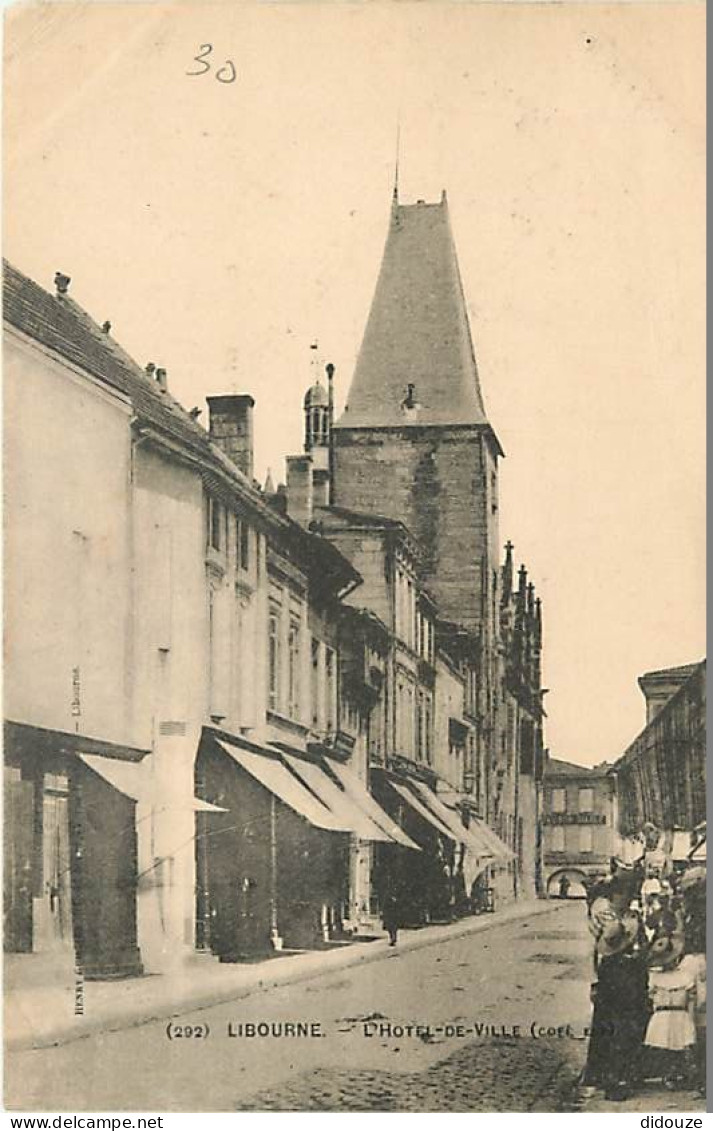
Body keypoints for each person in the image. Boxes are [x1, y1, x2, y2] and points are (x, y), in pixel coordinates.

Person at [582, 912, 650, 1100]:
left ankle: (609, 1080)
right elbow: (641, 986)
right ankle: (621, 1081)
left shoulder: (607, 963)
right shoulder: (633, 963)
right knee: (624, 1042)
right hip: (627, 1010)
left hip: (608, 1011)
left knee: (609, 1043)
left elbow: (601, 988)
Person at [644, 934, 696, 1090]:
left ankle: (678, 1074)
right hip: (666, 1013)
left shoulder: (684, 975)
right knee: (667, 1045)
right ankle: (669, 1074)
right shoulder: (655, 977)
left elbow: (691, 998)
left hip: (677, 1013)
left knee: (679, 1045)